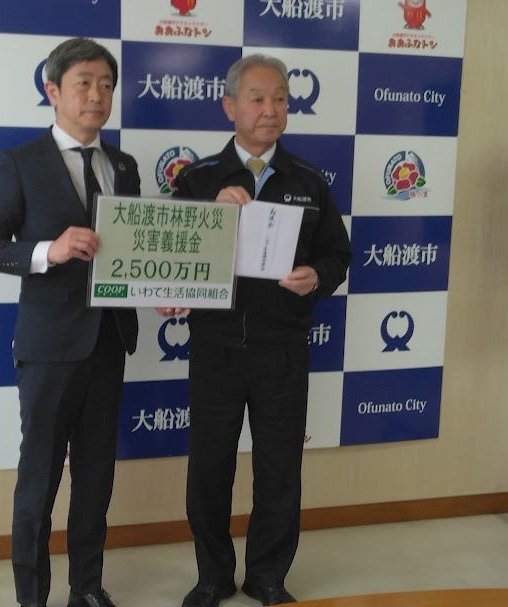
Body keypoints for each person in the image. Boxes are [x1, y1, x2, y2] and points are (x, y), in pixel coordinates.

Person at [162, 54, 352, 607]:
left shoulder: (309, 181)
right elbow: (173, 261)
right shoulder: (198, 180)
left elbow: (337, 254)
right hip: (215, 349)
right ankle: (213, 577)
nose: (271, 110)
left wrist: (317, 277)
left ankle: (268, 577)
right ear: (230, 107)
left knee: (279, 471)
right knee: (209, 470)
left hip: (282, 351)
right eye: (257, 99)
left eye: (280, 99)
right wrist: (212, 214)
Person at [0, 38, 139, 607]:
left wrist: (162, 291)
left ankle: (86, 589)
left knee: (96, 478)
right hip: (49, 346)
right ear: (53, 90)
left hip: (110, 340)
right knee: (39, 481)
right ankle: (33, 597)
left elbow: (130, 254)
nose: (97, 95)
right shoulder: (21, 161)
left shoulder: (124, 166)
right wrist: (49, 250)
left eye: (106, 85)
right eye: (84, 83)